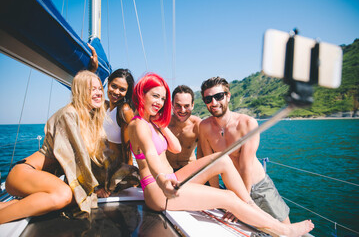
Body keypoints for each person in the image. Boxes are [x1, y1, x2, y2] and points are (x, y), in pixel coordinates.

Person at [128, 72, 314, 237]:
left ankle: (249, 204)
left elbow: (175, 148)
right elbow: (151, 155)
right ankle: (283, 230)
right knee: (228, 198)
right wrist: (161, 180)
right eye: (154, 96)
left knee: (222, 160)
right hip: (158, 190)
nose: (159, 102)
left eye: (162, 98)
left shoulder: (151, 123)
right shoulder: (137, 125)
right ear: (141, 94)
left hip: (171, 178)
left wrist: (160, 124)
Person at [0, 70, 106, 224]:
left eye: (99, 89)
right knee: (65, 195)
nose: (98, 93)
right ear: (80, 90)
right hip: (24, 173)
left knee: (74, 196)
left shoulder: (86, 117)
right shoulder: (69, 114)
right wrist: (94, 188)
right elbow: (78, 158)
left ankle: (8, 205)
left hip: (39, 178)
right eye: (92, 89)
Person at [199, 76, 290, 223]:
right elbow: (211, 166)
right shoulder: (205, 127)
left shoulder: (247, 124)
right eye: (208, 99)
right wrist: (216, 199)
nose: (214, 103)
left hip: (258, 187)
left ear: (228, 96)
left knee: (284, 228)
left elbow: (245, 166)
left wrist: (243, 204)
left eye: (218, 96)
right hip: (232, 189)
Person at [94, 69, 140, 198]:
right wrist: (93, 70)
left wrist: (127, 181)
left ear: (127, 92)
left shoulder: (124, 110)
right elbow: (90, 92)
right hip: (108, 169)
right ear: (108, 84)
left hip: (122, 172)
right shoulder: (106, 107)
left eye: (122, 89)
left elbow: (128, 152)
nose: (116, 92)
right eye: (114, 86)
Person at [166, 85, 202, 171]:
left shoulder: (198, 125)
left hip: (190, 171)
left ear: (192, 105)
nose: (182, 110)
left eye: (186, 106)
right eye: (178, 105)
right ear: (172, 104)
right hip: (168, 171)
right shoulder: (164, 125)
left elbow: (205, 155)